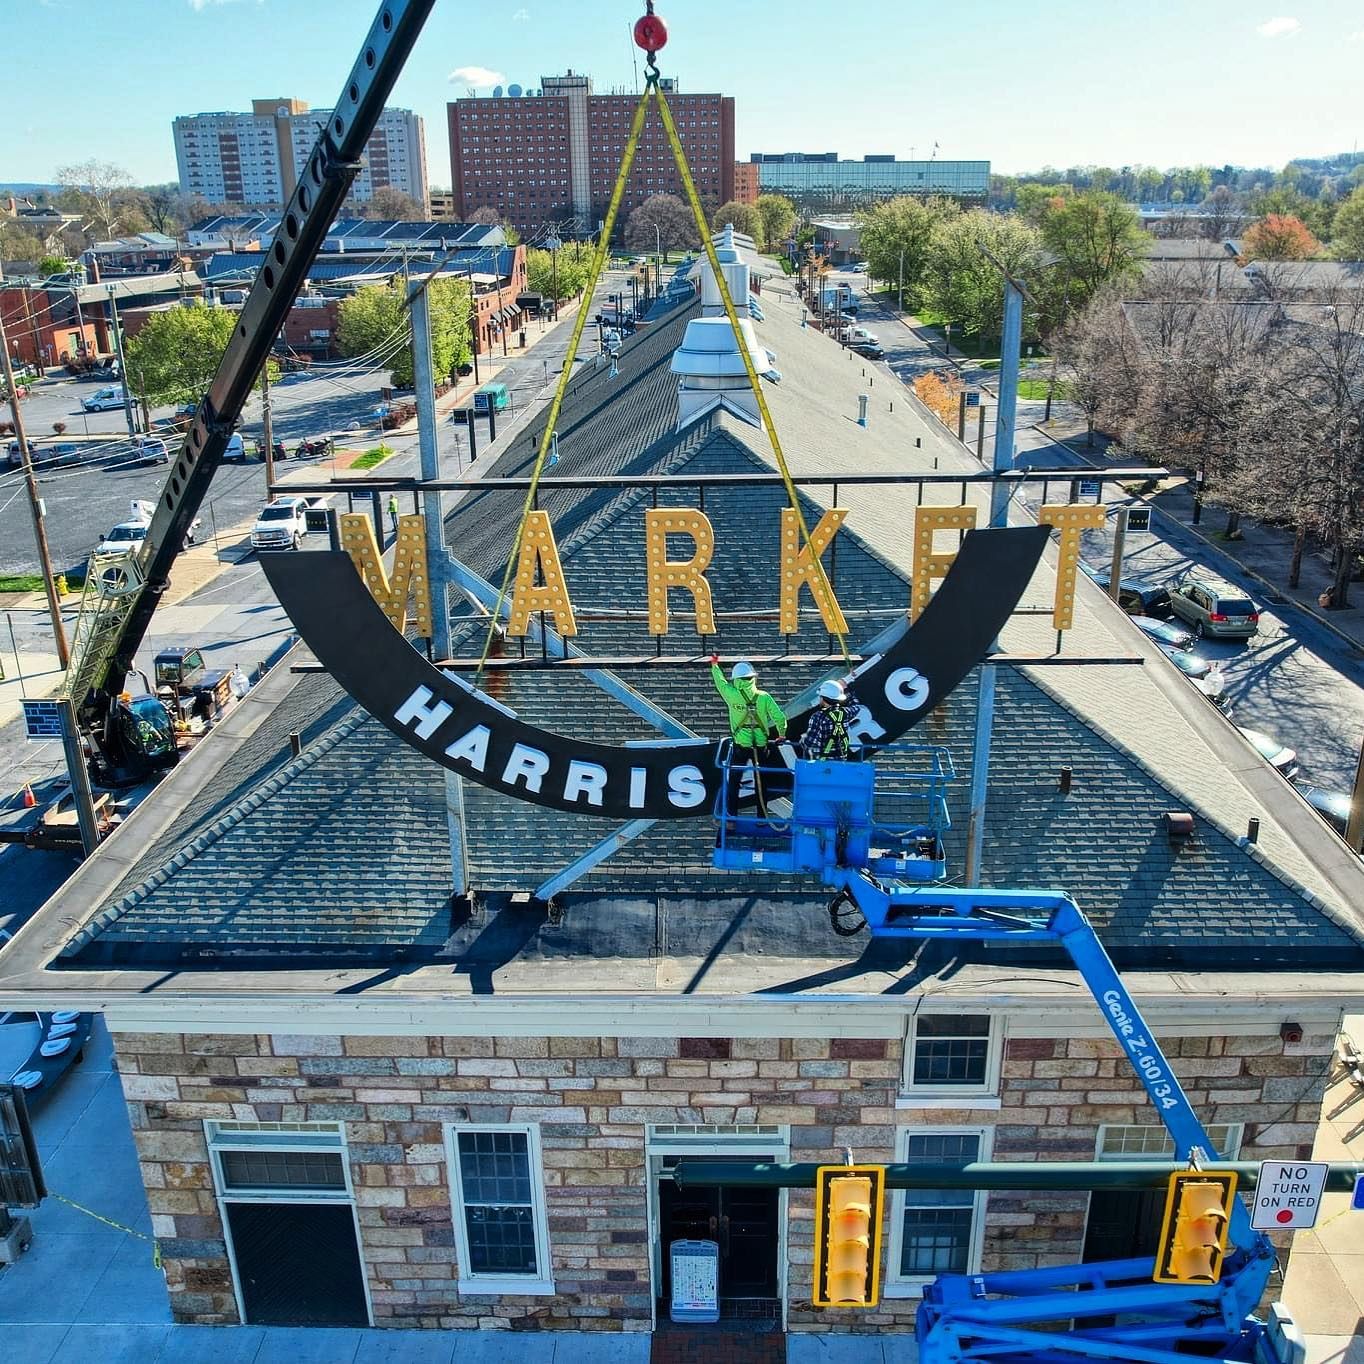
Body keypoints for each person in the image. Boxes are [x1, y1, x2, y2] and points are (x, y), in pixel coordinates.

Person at [709, 655, 788, 816]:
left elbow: (720, 682)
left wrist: (715, 666)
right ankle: (762, 817)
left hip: (741, 746)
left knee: (734, 782)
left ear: (736, 679)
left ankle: (731, 817)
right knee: (763, 783)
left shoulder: (731, 694)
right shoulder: (763, 697)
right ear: (753, 678)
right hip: (760, 746)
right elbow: (779, 718)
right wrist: (781, 734)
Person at [801, 678, 861, 761]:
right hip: (841, 761)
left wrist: (803, 739)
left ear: (823, 698)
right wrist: (846, 689)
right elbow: (856, 706)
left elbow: (809, 743)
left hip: (823, 763)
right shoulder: (845, 713)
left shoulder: (817, 717)